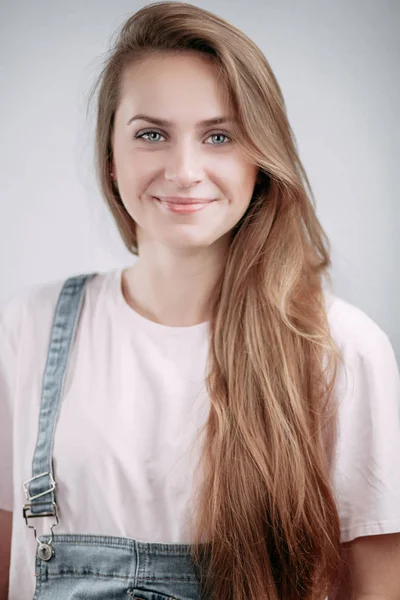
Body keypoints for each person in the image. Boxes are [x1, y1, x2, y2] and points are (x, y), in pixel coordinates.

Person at [1, 2, 400, 599]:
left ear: (261, 159)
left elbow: (377, 584)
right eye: (151, 134)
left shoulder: (340, 348)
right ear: (110, 157)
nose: (185, 171)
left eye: (219, 136)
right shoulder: (26, 329)